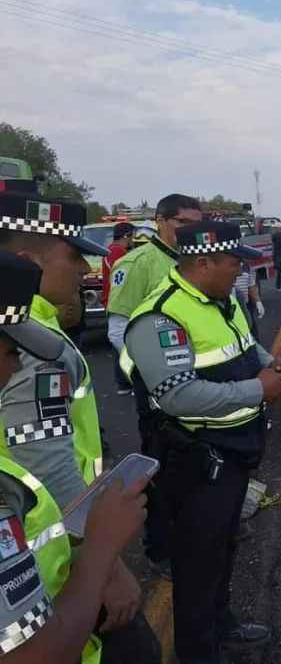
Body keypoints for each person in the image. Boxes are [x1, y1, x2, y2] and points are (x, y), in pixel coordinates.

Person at [122, 221, 281, 664]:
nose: (241, 271)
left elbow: (244, 346)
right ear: (203, 263)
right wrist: (258, 390)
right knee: (197, 565)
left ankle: (223, 626)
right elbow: (177, 395)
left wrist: (269, 362)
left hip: (235, 450)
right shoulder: (160, 317)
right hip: (197, 459)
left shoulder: (222, 299)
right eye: (234, 263)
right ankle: (199, 653)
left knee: (223, 547)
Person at [0, 184, 160, 661]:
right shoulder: (30, 343)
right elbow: (44, 459)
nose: (88, 270)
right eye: (74, 257)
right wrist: (105, 566)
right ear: (28, 260)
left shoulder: (34, 331)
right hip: (45, 564)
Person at [106, 193, 202, 577]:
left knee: (198, 460)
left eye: (197, 222)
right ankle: (158, 548)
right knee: (161, 467)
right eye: (184, 223)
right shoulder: (139, 263)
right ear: (161, 221)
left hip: (196, 383)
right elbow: (118, 330)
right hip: (158, 386)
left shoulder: (193, 260)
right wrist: (158, 369)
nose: (191, 231)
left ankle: (196, 532)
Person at [103, 222, 135, 395]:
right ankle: (127, 380)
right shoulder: (118, 254)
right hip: (119, 302)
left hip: (113, 300)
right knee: (123, 343)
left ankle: (123, 383)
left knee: (118, 345)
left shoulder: (111, 251)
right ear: (126, 236)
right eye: (132, 236)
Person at [234, 260, 265, 342]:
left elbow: (250, 283)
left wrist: (258, 302)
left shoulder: (244, 263)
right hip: (231, 306)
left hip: (245, 304)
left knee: (251, 328)